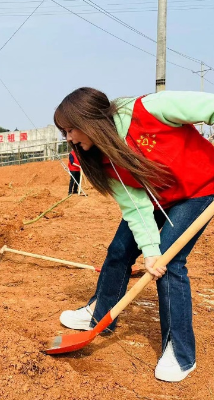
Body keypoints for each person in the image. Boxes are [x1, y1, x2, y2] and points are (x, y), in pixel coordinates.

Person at [54, 87, 214, 382]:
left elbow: (208, 106)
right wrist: (149, 250)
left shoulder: (150, 110)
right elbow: (135, 207)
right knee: (119, 250)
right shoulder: (101, 158)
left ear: (89, 120)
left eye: (71, 129)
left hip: (199, 189)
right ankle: (101, 316)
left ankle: (180, 353)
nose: (69, 138)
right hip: (156, 198)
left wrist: (159, 253)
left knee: (171, 260)